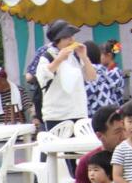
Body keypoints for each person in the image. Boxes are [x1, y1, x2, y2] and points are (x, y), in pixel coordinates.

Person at [36, 21, 97, 151]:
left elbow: (91, 77)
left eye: (72, 37)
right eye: (67, 38)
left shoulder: (75, 56)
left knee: (79, 153)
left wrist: (84, 57)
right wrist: (59, 59)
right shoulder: (47, 56)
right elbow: (42, 76)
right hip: (57, 114)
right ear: (58, 40)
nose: (71, 40)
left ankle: (74, 172)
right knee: (58, 153)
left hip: (78, 112)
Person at [71, 105, 125, 183]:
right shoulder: (89, 162)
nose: (124, 136)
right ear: (100, 135)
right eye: (118, 132)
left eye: (126, 129)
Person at [85, 41, 125, 117]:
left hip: (112, 108)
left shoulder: (115, 72)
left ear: (108, 56)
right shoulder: (104, 71)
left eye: (100, 55)